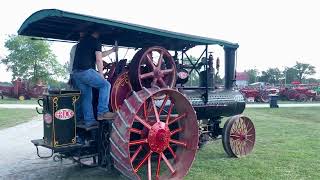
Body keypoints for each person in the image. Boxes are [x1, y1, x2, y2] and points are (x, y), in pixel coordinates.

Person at [72, 29, 116, 127]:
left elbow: (99, 54)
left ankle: (89, 120)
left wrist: (112, 50)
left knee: (87, 96)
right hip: (86, 71)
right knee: (106, 85)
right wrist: (101, 75)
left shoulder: (82, 42)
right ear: (97, 33)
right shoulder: (96, 41)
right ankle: (102, 112)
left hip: (76, 73)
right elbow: (99, 59)